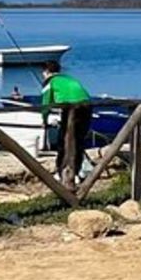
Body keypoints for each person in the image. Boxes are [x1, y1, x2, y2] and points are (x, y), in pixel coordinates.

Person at [40, 60, 92, 188]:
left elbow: (45, 104)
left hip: (71, 108)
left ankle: (63, 171)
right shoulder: (68, 78)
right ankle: (78, 172)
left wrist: (44, 120)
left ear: (46, 72)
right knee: (78, 140)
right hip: (87, 105)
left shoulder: (49, 82)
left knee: (64, 141)